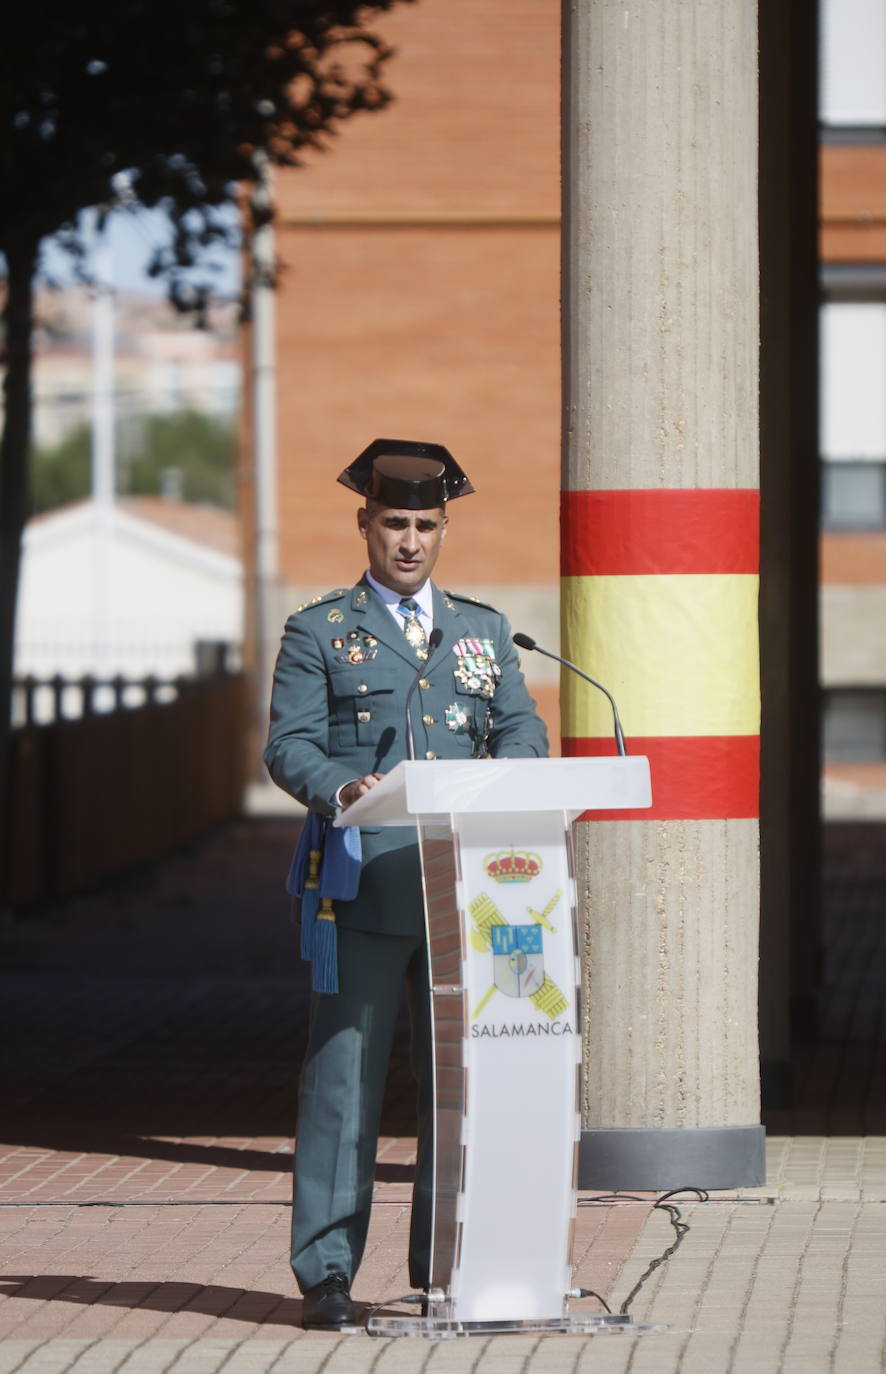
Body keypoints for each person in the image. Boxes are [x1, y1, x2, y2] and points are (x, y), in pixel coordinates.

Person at [264, 438, 549, 1328]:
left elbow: (523, 730)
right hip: (365, 888)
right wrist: (339, 788)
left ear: (444, 528)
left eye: (427, 525)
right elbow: (287, 744)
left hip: (470, 890)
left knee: (456, 1085)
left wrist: (514, 770)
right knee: (343, 1081)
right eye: (395, 523)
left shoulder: (486, 630)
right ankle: (329, 1273)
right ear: (366, 525)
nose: (411, 541)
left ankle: (447, 1263)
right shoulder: (319, 630)